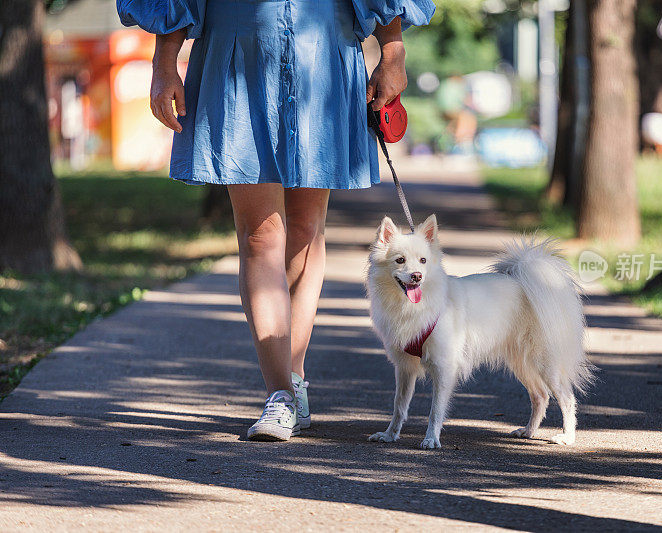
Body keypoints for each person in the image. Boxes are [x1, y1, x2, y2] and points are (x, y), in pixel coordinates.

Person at [117, 0, 435, 441]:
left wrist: (393, 53)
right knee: (260, 234)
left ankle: (295, 378)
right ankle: (280, 394)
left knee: (306, 230)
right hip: (237, 56)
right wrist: (164, 62)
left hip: (322, 54)